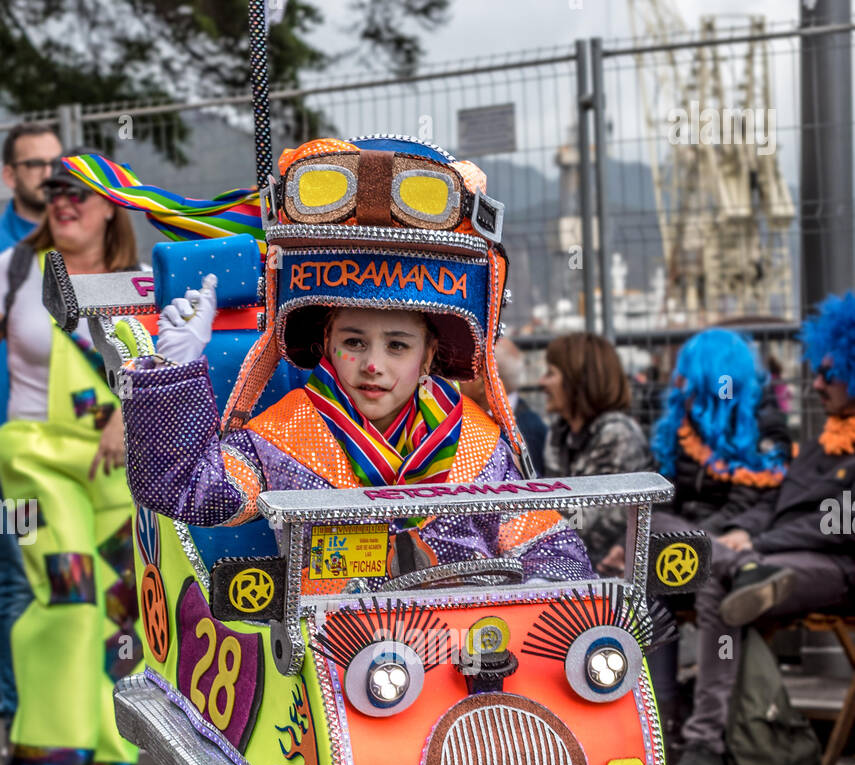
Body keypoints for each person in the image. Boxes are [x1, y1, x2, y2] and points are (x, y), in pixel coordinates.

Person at [122, 136, 591, 588]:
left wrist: (553, 592)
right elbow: (191, 492)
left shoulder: (477, 440)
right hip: (330, 657)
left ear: (430, 355)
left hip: (472, 649)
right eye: (354, 341)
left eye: (398, 346)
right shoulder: (282, 434)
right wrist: (172, 370)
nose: (373, 365)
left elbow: (547, 546)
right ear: (327, 344)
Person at [0, 155, 142, 765]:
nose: (63, 201)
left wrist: (128, 408)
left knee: (119, 607)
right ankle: (66, 764)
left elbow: (167, 368)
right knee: (65, 592)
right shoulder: (14, 272)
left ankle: (115, 754)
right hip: (30, 464)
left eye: (79, 192)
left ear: (111, 204)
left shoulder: (141, 285)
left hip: (114, 468)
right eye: (54, 190)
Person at [668, 293, 855, 765]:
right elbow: (776, 503)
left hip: (835, 566)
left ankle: (703, 739)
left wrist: (758, 544)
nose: (816, 383)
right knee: (696, 563)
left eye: (829, 374)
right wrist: (744, 539)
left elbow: (839, 525)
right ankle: (696, 735)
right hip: (774, 552)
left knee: (713, 567)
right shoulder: (822, 444)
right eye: (817, 371)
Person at [0, 122, 62, 741]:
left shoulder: (76, 239)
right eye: (33, 164)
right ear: (8, 175)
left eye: (54, 163)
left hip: (76, 457)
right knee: (20, 572)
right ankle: (18, 710)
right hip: (13, 453)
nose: (47, 174)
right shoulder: (5, 258)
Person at [650, 328, 791, 535]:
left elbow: (743, 506)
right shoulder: (683, 426)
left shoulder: (762, 428)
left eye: (689, 377)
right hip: (675, 534)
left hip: (723, 540)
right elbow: (661, 497)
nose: (679, 384)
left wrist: (683, 540)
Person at [539, 330, 652, 571]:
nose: (542, 382)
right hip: (565, 561)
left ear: (577, 380)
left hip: (614, 569)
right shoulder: (559, 433)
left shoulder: (616, 433)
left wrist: (532, 522)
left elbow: (591, 525)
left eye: (551, 373)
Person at [460, 337, 547, 474]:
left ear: (482, 381)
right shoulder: (523, 424)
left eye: (462, 373)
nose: (456, 380)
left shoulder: (525, 432)